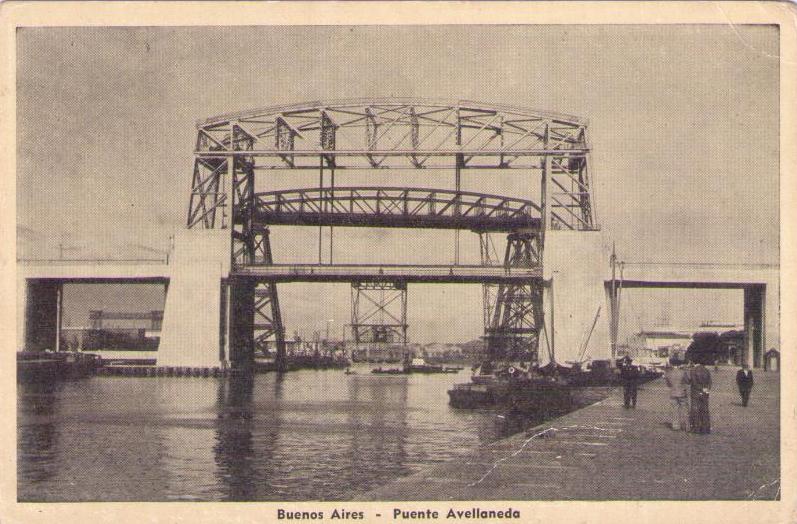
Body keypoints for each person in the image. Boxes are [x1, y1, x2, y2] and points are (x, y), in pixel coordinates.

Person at [664, 358, 689, 431]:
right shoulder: (683, 372)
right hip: (682, 393)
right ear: (679, 364)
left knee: (674, 410)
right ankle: (687, 426)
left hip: (673, 393)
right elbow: (687, 381)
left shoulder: (668, 373)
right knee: (685, 409)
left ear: (671, 364)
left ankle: (675, 426)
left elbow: (668, 384)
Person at [688, 361, 712, 434]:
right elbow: (710, 382)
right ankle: (706, 428)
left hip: (696, 393)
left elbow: (694, 383)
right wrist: (706, 389)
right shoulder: (706, 370)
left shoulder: (693, 370)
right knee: (705, 410)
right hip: (705, 393)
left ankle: (696, 428)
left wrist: (700, 389)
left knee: (695, 410)